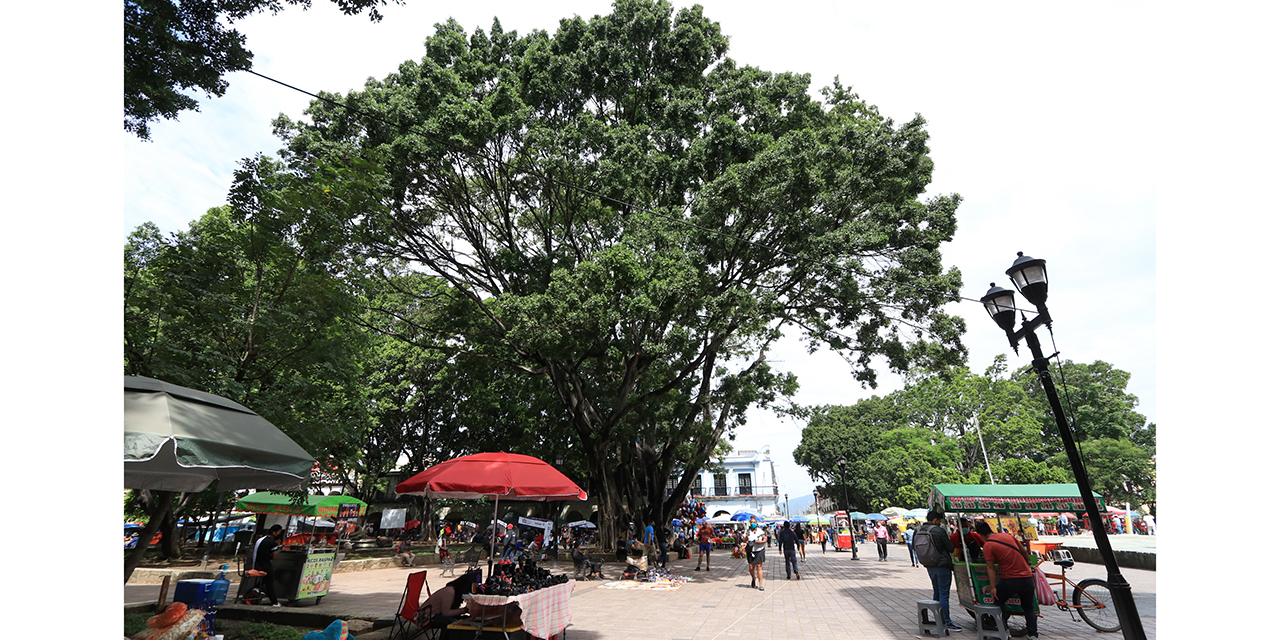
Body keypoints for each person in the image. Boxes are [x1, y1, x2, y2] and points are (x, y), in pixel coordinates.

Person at [976, 520, 1038, 640]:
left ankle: (1004, 631)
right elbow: (1024, 551)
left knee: (998, 602)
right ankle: (1033, 635)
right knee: (1028, 607)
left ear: (981, 535)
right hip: (1027, 578)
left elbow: (990, 568)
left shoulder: (988, 545)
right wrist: (1027, 564)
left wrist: (993, 587)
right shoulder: (1007, 536)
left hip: (1010, 580)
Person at [920, 512, 962, 633]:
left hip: (929, 565)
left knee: (937, 592)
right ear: (934, 520)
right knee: (944, 594)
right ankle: (946, 622)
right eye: (939, 521)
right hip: (942, 565)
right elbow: (950, 548)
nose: (939, 523)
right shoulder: (938, 531)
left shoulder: (919, 530)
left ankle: (938, 618)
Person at [252, 524, 285, 607]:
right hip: (265, 565)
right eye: (278, 532)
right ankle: (275, 602)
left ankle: (257, 588)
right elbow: (274, 556)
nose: (279, 534)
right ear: (274, 532)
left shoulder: (260, 539)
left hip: (256, 564)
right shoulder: (272, 542)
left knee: (267, 578)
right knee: (270, 582)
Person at [745, 521, 767, 590]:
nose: (752, 524)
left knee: (759, 567)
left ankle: (760, 584)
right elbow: (743, 540)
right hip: (751, 550)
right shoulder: (747, 531)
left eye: (754, 522)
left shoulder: (760, 531)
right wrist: (746, 536)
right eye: (751, 522)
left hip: (759, 550)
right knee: (751, 567)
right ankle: (753, 578)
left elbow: (765, 538)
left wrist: (762, 541)